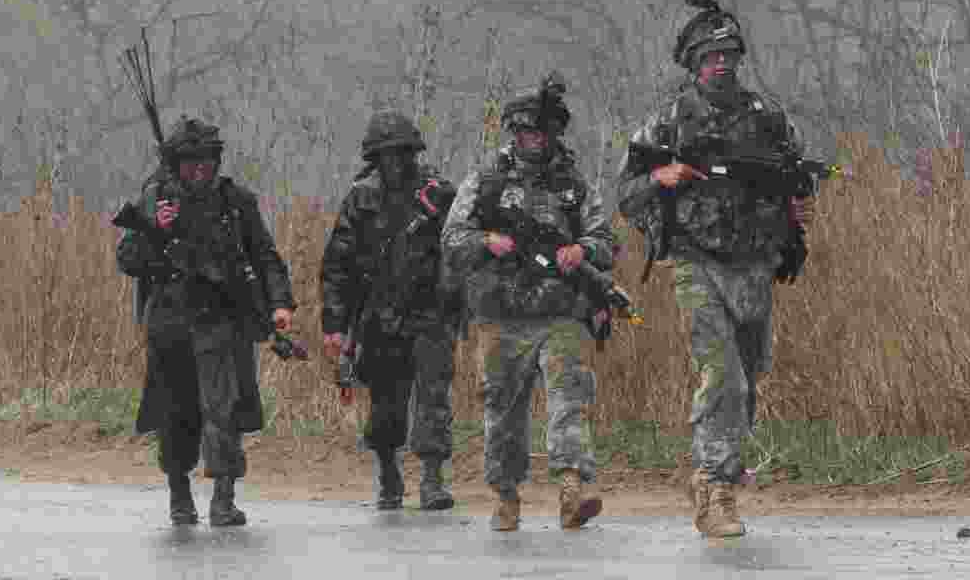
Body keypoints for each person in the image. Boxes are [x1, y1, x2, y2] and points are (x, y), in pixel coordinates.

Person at [615, 0, 815, 538]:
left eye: (728, 54)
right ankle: (715, 486)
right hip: (695, 262)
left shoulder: (767, 119)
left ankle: (720, 463)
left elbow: (795, 184)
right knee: (720, 373)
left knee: (746, 382)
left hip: (753, 265)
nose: (720, 64)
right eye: (710, 56)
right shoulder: (668, 123)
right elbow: (625, 192)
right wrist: (662, 178)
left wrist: (795, 221)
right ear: (694, 63)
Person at [440, 72, 614, 532]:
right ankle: (506, 495)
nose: (534, 140)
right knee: (502, 408)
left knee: (568, 400)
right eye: (526, 132)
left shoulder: (574, 186)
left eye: (542, 132)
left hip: (560, 312)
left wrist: (584, 250)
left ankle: (572, 489)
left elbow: (605, 240)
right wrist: (487, 240)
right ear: (514, 135)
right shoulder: (486, 182)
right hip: (502, 314)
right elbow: (452, 238)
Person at [115, 115, 297, 526]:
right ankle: (179, 495)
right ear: (176, 164)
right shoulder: (156, 200)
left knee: (224, 410)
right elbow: (127, 259)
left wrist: (280, 302)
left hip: (223, 319)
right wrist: (153, 231)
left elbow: (264, 256)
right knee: (176, 412)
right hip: (171, 322)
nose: (200, 170)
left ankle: (223, 498)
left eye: (207, 162)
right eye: (190, 163)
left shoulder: (236, 203)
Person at [320, 110, 458, 511]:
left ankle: (432, 478)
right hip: (380, 315)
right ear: (375, 158)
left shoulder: (438, 194)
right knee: (386, 404)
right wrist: (335, 324)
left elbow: (461, 248)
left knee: (433, 397)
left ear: (412, 153)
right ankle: (388, 471)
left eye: (401, 153)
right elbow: (337, 264)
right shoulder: (361, 197)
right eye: (386, 155)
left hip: (430, 311)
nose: (395, 162)